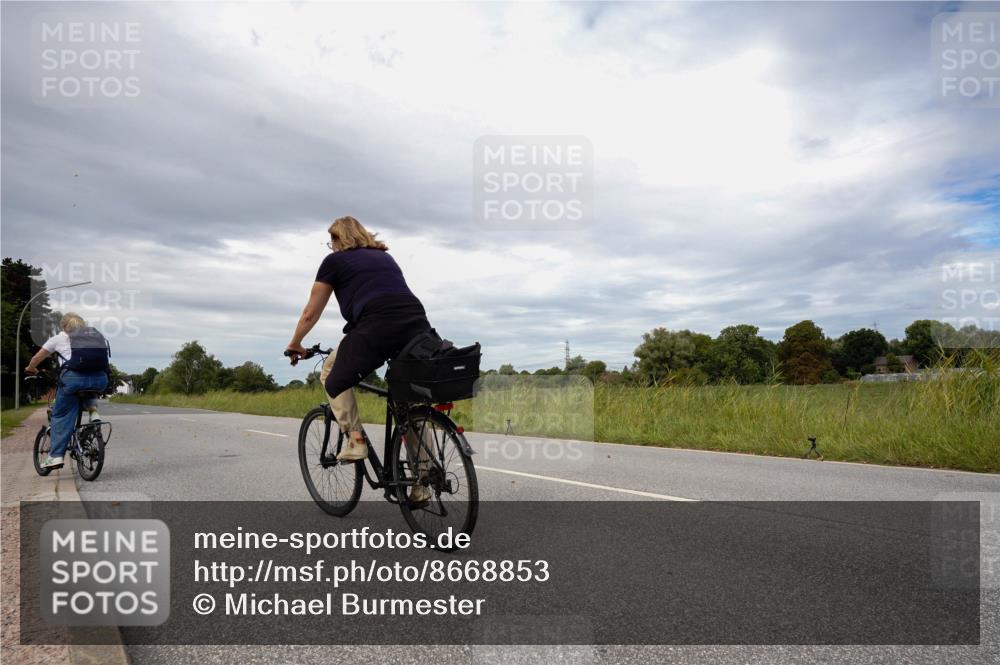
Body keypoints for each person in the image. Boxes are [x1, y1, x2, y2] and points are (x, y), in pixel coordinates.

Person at [286, 216, 433, 503]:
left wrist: (295, 344)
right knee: (407, 402)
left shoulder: (334, 261)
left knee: (330, 371)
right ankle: (423, 482)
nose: (331, 247)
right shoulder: (385, 257)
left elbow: (310, 313)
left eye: (332, 241)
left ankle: (355, 439)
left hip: (377, 325)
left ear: (339, 239)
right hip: (417, 324)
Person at [25, 313, 110, 469]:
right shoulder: (94, 337)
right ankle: (93, 411)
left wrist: (31, 368)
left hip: (73, 380)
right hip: (100, 380)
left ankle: (55, 456)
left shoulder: (58, 338)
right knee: (87, 389)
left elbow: (38, 357)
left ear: (63, 327)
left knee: (61, 415)